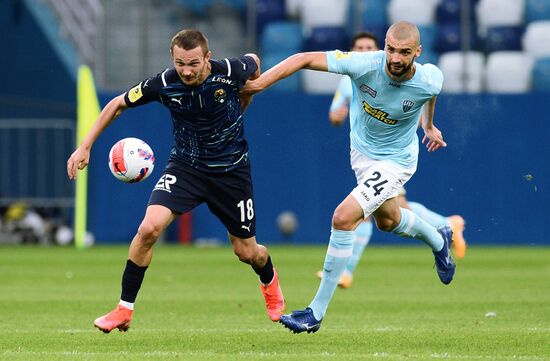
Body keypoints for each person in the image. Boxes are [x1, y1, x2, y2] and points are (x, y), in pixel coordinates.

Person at [242, 21, 455, 334]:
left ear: (417, 53)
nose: (395, 58)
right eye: (391, 50)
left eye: (404, 53)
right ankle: (440, 238)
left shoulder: (430, 78)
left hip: (397, 162)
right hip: (362, 156)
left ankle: (314, 312)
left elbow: (429, 95)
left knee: (343, 218)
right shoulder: (363, 64)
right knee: (388, 221)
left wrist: (428, 125)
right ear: (385, 45)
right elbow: (302, 58)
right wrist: (260, 85)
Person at [67, 29, 285, 333]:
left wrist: (245, 97)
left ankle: (270, 282)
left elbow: (254, 60)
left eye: (193, 63)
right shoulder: (164, 83)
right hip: (186, 169)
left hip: (231, 173)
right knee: (148, 229)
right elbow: (117, 103)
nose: (186, 71)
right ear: (173, 58)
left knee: (247, 252)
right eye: (180, 63)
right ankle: (123, 310)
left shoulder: (229, 71)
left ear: (208, 58)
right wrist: (85, 145)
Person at [319, 31, 467, 289]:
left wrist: (427, 124)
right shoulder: (348, 78)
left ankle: (347, 271)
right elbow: (334, 114)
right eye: (359, 47)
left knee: (363, 213)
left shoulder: (393, 72)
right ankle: (446, 224)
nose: (364, 51)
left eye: (369, 47)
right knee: (391, 215)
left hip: (391, 156)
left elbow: (427, 88)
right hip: (364, 154)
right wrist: (337, 116)